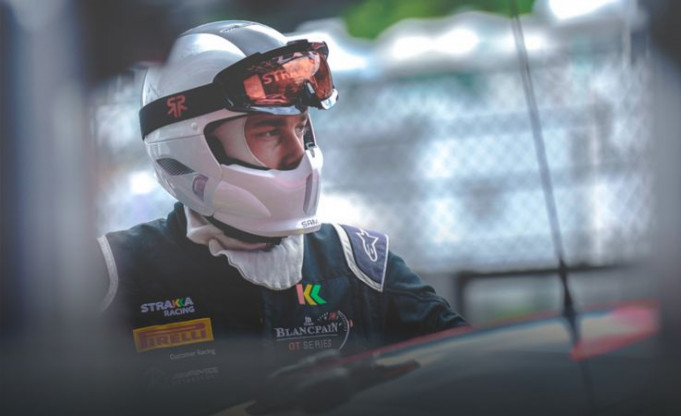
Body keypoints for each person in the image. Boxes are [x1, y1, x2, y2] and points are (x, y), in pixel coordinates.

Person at [95, 20, 466, 413]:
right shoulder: (112, 278)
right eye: (270, 132)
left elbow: (475, 372)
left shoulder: (361, 266)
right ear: (189, 145)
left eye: (300, 128)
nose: (298, 153)